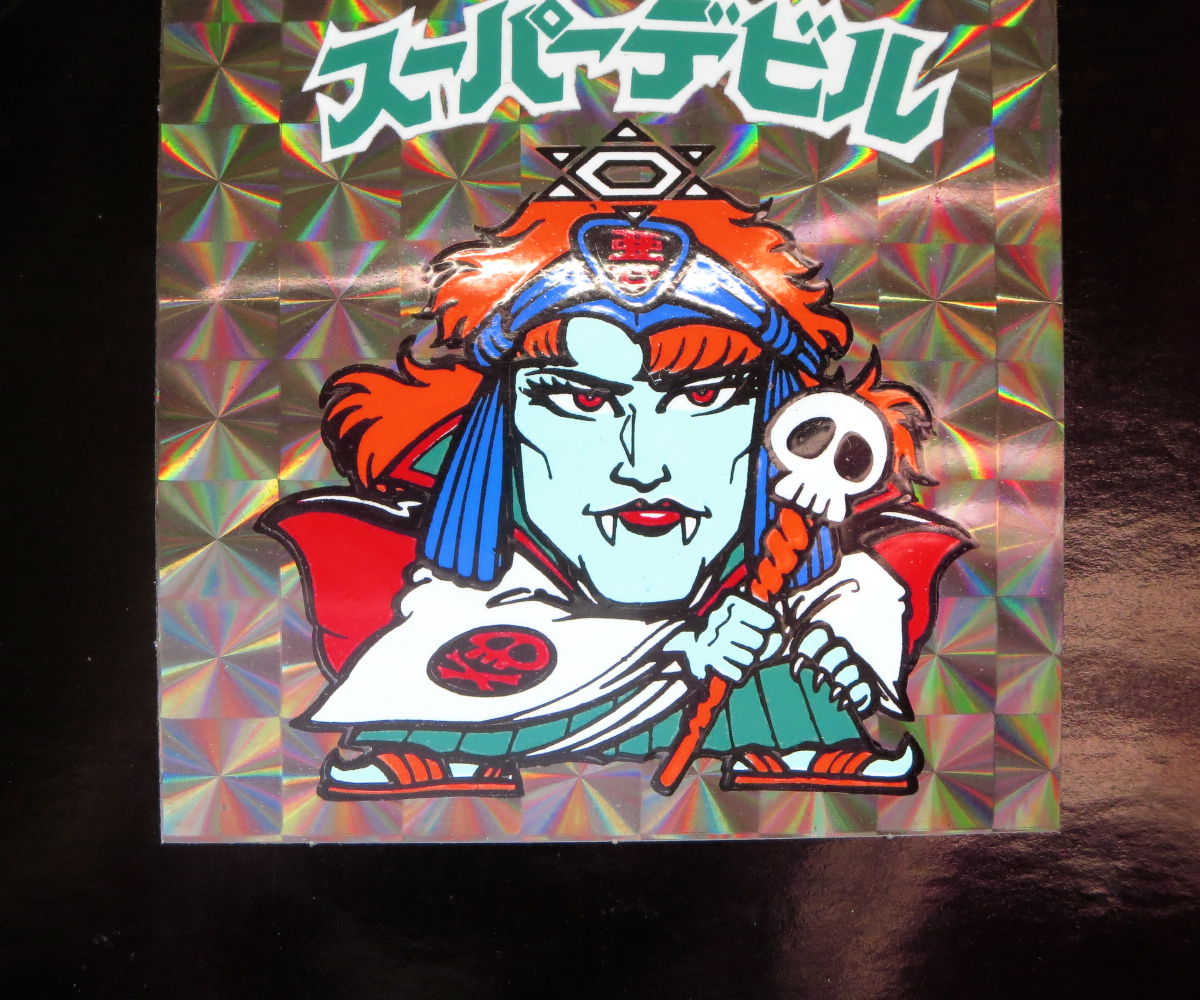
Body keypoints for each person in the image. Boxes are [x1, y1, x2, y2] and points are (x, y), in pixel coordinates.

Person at [260, 123, 972, 801]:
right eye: (582, 400)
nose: (642, 465)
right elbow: (448, 643)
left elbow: (852, 596)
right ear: (502, 423)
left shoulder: (799, 543)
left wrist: (844, 645)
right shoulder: (475, 571)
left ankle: (796, 731)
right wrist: (682, 648)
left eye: (702, 396)